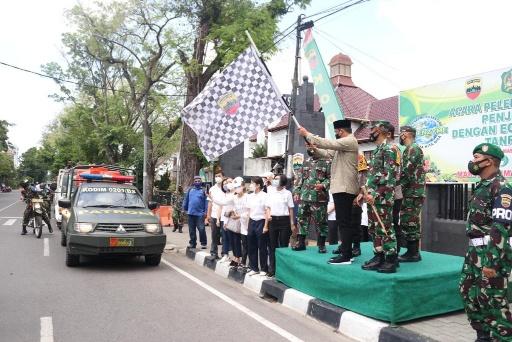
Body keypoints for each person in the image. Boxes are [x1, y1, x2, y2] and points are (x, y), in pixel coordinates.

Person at [459, 143, 512, 341]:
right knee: (469, 294)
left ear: (489, 161)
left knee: (494, 302)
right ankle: (483, 336)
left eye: (476, 157)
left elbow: (501, 228)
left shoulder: (502, 188)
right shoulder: (483, 185)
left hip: (491, 253)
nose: (472, 161)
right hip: (474, 252)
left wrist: (493, 262)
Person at [299, 119, 359, 265]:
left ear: (341, 131)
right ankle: (347, 251)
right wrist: (312, 147)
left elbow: (328, 143)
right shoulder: (342, 145)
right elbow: (326, 153)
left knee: (344, 222)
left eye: (336, 132)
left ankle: (346, 255)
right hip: (340, 187)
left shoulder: (349, 141)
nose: (335, 135)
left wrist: (308, 134)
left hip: (345, 187)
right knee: (343, 221)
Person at [357, 121, 399, 273]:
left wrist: (374, 193)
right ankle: (379, 255)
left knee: (385, 227)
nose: (372, 132)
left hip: (382, 196)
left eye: (374, 129)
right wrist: (365, 192)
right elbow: (373, 176)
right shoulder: (378, 150)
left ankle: (391, 258)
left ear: (384, 132)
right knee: (374, 228)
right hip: (372, 197)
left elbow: (390, 176)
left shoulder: (390, 149)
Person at [292, 152, 331, 253]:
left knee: (321, 222)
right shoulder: (305, 162)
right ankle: (301, 243)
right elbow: (299, 178)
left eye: (311, 147)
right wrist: (296, 191)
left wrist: (323, 185)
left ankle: (321, 245)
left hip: (319, 198)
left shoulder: (327, 162)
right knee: (301, 220)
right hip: (304, 197)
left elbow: (332, 178)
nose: (309, 149)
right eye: (308, 147)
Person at [397, 126, 426, 262]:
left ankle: (413, 253)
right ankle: (412, 251)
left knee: (410, 221)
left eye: (401, 134)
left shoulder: (412, 149)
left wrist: (395, 186)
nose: (400, 136)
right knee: (409, 220)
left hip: (413, 192)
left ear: (406, 134)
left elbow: (407, 172)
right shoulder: (410, 149)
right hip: (411, 191)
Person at [264, 174, 295, 277]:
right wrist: (268, 216)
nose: (275, 180)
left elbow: (291, 209)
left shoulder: (288, 193)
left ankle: (283, 270)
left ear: (283, 181)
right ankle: (272, 269)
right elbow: (267, 207)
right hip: (273, 221)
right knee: (272, 246)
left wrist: (291, 224)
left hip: (284, 221)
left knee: (283, 246)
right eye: (275, 179)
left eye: (277, 179)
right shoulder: (271, 192)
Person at [246, 176, 269, 276]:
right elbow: (249, 211)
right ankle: (254, 267)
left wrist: (266, 226)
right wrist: (247, 225)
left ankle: (264, 268)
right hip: (252, 221)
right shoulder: (250, 196)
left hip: (261, 221)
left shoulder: (265, 196)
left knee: (262, 246)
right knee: (251, 246)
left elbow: (267, 211)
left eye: (252, 183)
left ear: (258, 185)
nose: (251, 185)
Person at [182, 176, 208, 249]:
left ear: (201, 182)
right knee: (191, 230)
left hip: (200, 214)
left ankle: (203, 243)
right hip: (191, 213)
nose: (197, 182)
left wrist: (205, 212)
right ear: (193, 182)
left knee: (201, 229)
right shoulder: (190, 190)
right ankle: (192, 243)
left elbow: (206, 202)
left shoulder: (203, 190)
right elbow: (186, 200)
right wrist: (184, 209)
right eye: (196, 181)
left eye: (199, 181)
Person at [207, 170, 224, 258]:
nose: (217, 177)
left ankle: (224, 254)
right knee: (214, 235)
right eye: (216, 176)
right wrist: (208, 215)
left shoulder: (226, 188)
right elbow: (210, 203)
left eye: (219, 176)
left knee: (224, 236)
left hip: (224, 216)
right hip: (214, 215)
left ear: (223, 177)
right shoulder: (212, 189)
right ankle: (214, 252)